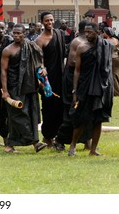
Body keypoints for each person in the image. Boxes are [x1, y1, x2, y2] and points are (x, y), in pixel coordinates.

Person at [1, 24, 47, 154]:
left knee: (31, 114)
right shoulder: (8, 50)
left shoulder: (31, 46)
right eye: (14, 33)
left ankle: (10, 145)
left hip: (30, 85)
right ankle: (35, 142)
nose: (16, 36)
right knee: (18, 115)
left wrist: (43, 69)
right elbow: (3, 72)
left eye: (19, 33)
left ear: (24, 33)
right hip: (14, 87)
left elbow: (40, 60)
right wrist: (5, 91)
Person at [68, 22, 113, 156]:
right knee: (81, 117)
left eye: (90, 32)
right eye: (85, 32)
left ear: (97, 31)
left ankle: (93, 150)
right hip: (85, 86)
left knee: (98, 119)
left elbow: (107, 68)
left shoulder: (106, 46)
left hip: (100, 87)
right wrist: (75, 90)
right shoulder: (82, 48)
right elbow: (77, 71)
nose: (87, 34)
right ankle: (73, 145)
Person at [54, 20, 92, 151]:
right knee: (72, 112)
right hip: (72, 81)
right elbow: (72, 62)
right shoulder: (77, 42)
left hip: (86, 81)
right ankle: (60, 139)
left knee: (87, 110)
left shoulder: (91, 42)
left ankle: (87, 140)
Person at [35, 11, 66, 147]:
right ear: (42, 22)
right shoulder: (39, 40)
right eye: (47, 20)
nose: (50, 23)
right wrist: (42, 69)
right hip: (47, 80)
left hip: (61, 76)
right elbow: (38, 60)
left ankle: (58, 135)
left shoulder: (59, 34)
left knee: (60, 107)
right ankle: (47, 136)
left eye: (52, 20)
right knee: (48, 108)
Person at [103, 27, 119, 96]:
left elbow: (105, 52)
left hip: (112, 58)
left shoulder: (106, 41)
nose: (103, 33)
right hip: (118, 58)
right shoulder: (116, 40)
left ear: (107, 34)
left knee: (112, 75)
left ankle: (116, 92)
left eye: (104, 32)